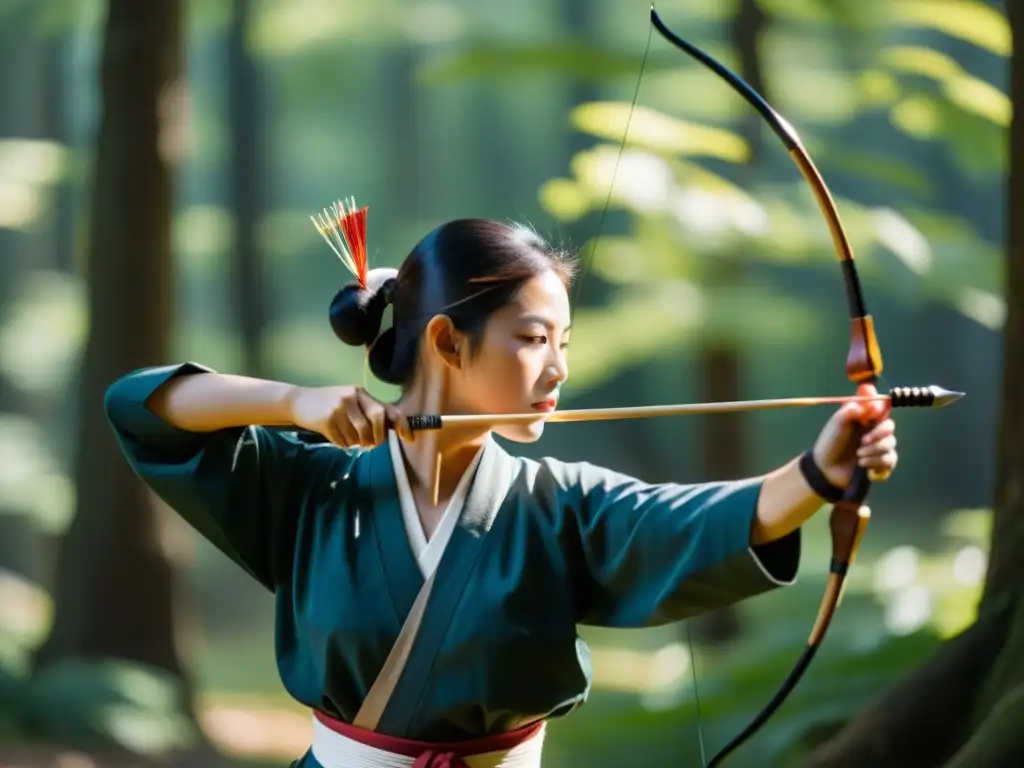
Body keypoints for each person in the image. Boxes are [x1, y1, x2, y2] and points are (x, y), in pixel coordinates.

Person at [104, 213, 898, 768]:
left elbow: (688, 522)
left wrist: (820, 475)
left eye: (564, 343)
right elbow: (139, 406)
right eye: (532, 340)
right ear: (448, 340)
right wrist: (294, 405)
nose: (558, 370)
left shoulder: (560, 505)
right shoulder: (312, 486)